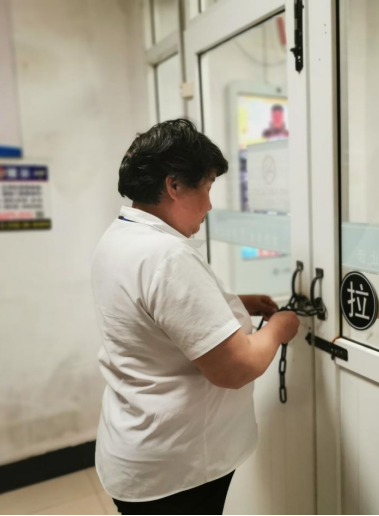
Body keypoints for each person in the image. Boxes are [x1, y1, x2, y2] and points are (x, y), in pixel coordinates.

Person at [91, 119, 300, 515]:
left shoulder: (119, 237)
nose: (209, 205)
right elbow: (235, 368)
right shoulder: (167, 256)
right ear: (174, 185)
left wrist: (233, 302)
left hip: (137, 448)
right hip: (176, 468)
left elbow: (151, 314)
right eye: (206, 187)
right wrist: (278, 328)